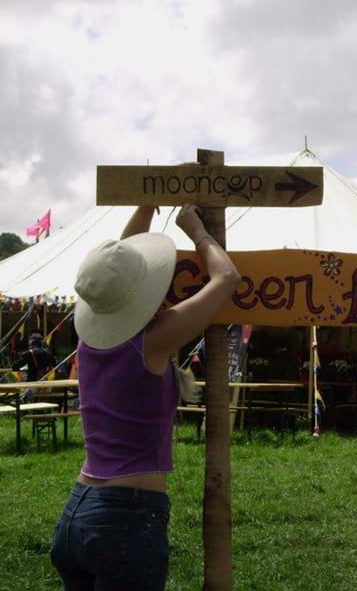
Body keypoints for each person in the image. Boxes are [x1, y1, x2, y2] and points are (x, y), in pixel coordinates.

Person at [50, 204, 241, 590]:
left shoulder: (90, 336)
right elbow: (227, 278)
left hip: (77, 511)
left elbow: (114, 271)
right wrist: (198, 232)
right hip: (126, 516)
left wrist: (146, 203)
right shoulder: (153, 340)